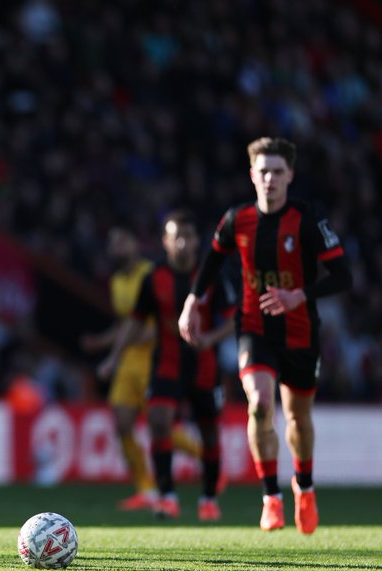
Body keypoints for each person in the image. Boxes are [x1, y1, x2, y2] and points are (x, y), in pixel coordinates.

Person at [178, 137, 352, 534]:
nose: (270, 178)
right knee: (258, 404)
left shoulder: (308, 220)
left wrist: (300, 294)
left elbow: (344, 276)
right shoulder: (236, 220)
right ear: (252, 175)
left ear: (290, 175)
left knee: (297, 418)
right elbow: (211, 261)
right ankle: (270, 496)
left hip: (300, 330)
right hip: (254, 327)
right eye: (263, 171)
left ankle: (304, 487)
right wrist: (192, 301)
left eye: (277, 171)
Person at [98, 210, 235, 521]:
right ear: (165, 241)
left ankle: (209, 497)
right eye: (177, 238)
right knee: (159, 422)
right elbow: (134, 323)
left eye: (189, 237)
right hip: (166, 364)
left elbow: (233, 318)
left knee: (209, 432)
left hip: (203, 364)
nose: (183, 244)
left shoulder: (211, 274)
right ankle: (167, 496)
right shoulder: (154, 277)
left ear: (198, 240)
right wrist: (114, 358)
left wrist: (210, 338)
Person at [82, 226, 203, 511]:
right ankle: (146, 487)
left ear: (136, 243)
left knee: (158, 424)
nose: (117, 247)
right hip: (128, 360)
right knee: (122, 422)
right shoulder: (116, 282)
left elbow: (164, 320)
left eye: (122, 239)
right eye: (113, 243)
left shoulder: (152, 274)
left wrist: (124, 345)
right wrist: (102, 344)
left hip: (154, 356)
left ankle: (206, 456)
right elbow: (127, 323)